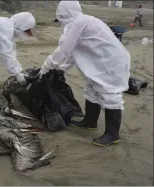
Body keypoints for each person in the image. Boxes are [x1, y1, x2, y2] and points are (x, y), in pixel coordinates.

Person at [38, 1, 131, 147]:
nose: (60, 21)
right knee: (91, 89)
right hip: (101, 61)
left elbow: (64, 50)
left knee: (110, 94)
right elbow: (73, 51)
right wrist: (62, 68)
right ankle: (90, 121)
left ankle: (112, 134)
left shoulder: (78, 23)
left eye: (61, 18)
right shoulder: (81, 22)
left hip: (111, 62)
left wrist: (46, 66)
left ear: (64, 14)